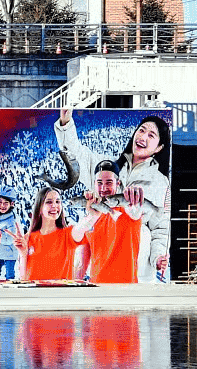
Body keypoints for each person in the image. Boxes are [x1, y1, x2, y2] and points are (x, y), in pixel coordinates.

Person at [55, 108, 171, 277]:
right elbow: (79, 156)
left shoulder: (160, 181)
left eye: (151, 135)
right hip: (106, 253)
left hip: (137, 262)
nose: (143, 137)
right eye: (141, 130)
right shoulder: (111, 165)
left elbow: (160, 227)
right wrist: (66, 125)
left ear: (159, 148)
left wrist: (158, 257)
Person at [80, 161, 150, 283]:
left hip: (126, 291)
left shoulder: (129, 209)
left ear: (118, 184)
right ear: (94, 184)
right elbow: (82, 263)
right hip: (96, 291)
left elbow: (136, 211)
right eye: (100, 183)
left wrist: (135, 195)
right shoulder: (90, 216)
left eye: (109, 182)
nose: (104, 188)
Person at [12, 187, 95, 281]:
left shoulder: (68, 235)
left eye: (58, 201)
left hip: (59, 295)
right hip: (35, 294)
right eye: (49, 202)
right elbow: (24, 279)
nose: (55, 206)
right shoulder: (28, 238)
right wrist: (23, 254)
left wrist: (92, 214)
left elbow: (84, 226)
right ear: (39, 208)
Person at [0, 190, 21, 280]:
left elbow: (10, 239)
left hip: (10, 252)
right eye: (0, 203)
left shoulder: (12, 220)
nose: (2, 206)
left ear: (11, 204)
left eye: (6, 203)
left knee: (9, 274)